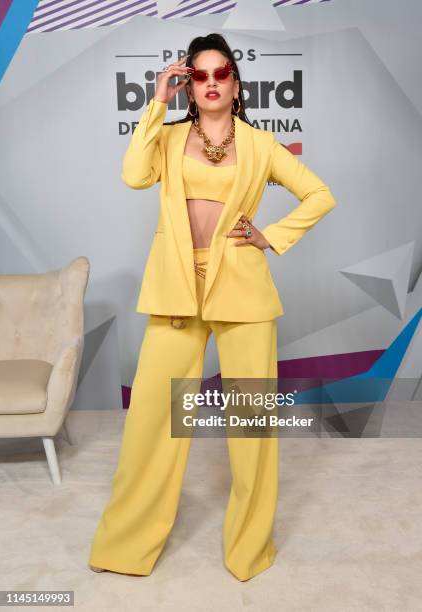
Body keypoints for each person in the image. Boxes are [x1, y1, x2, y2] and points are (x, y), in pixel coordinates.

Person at [88, 33, 336, 582]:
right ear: (188, 86)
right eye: (198, 76)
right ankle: (127, 545)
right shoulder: (171, 137)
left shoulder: (261, 145)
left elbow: (320, 194)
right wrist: (156, 101)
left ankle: (249, 551)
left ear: (236, 81)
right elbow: (133, 175)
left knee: (250, 426)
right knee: (155, 418)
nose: (211, 83)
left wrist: (270, 236)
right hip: (178, 286)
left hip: (242, 288)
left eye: (220, 73)